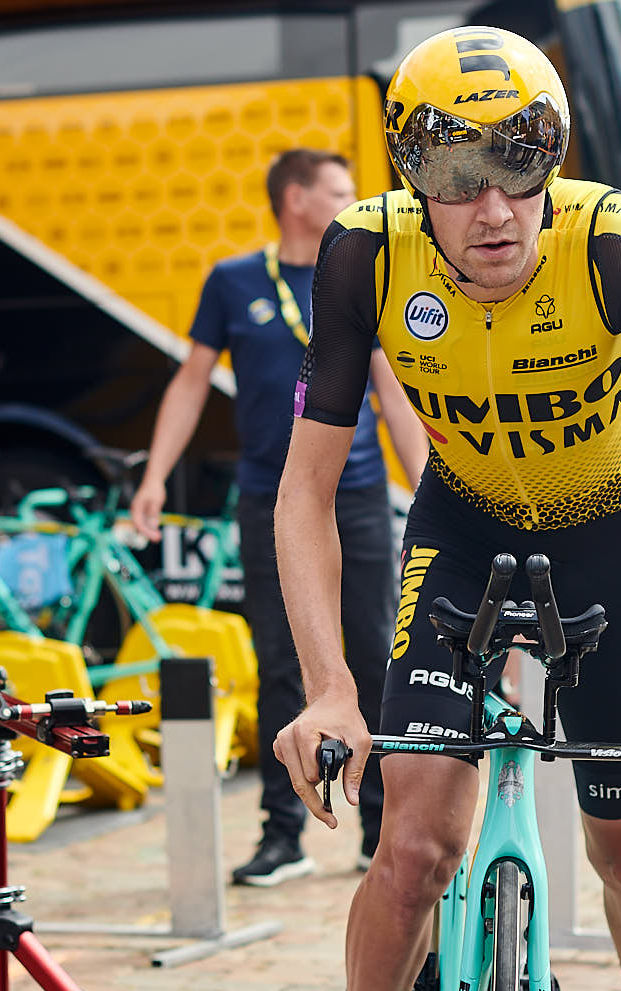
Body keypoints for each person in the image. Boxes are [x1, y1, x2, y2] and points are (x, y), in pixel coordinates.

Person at [271, 27, 621, 991]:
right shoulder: (362, 252)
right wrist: (326, 687)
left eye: (519, 163)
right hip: (461, 522)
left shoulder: (611, 243)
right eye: (456, 172)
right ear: (411, 178)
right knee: (410, 852)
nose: (493, 208)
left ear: (556, 158)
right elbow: (305, 487)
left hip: (609, 529)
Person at [130, 148, 427, 886]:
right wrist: (155, 476)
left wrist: (428, 490)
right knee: (280, 664)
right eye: (338, 190)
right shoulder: (232, 281)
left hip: (356, 496)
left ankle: (378, 828)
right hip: (269, 498)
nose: (353, 200)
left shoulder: (359, 273)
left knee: (372, 655)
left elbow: (393, 395)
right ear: (296, 199)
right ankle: (281, 833)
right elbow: (192, 383)